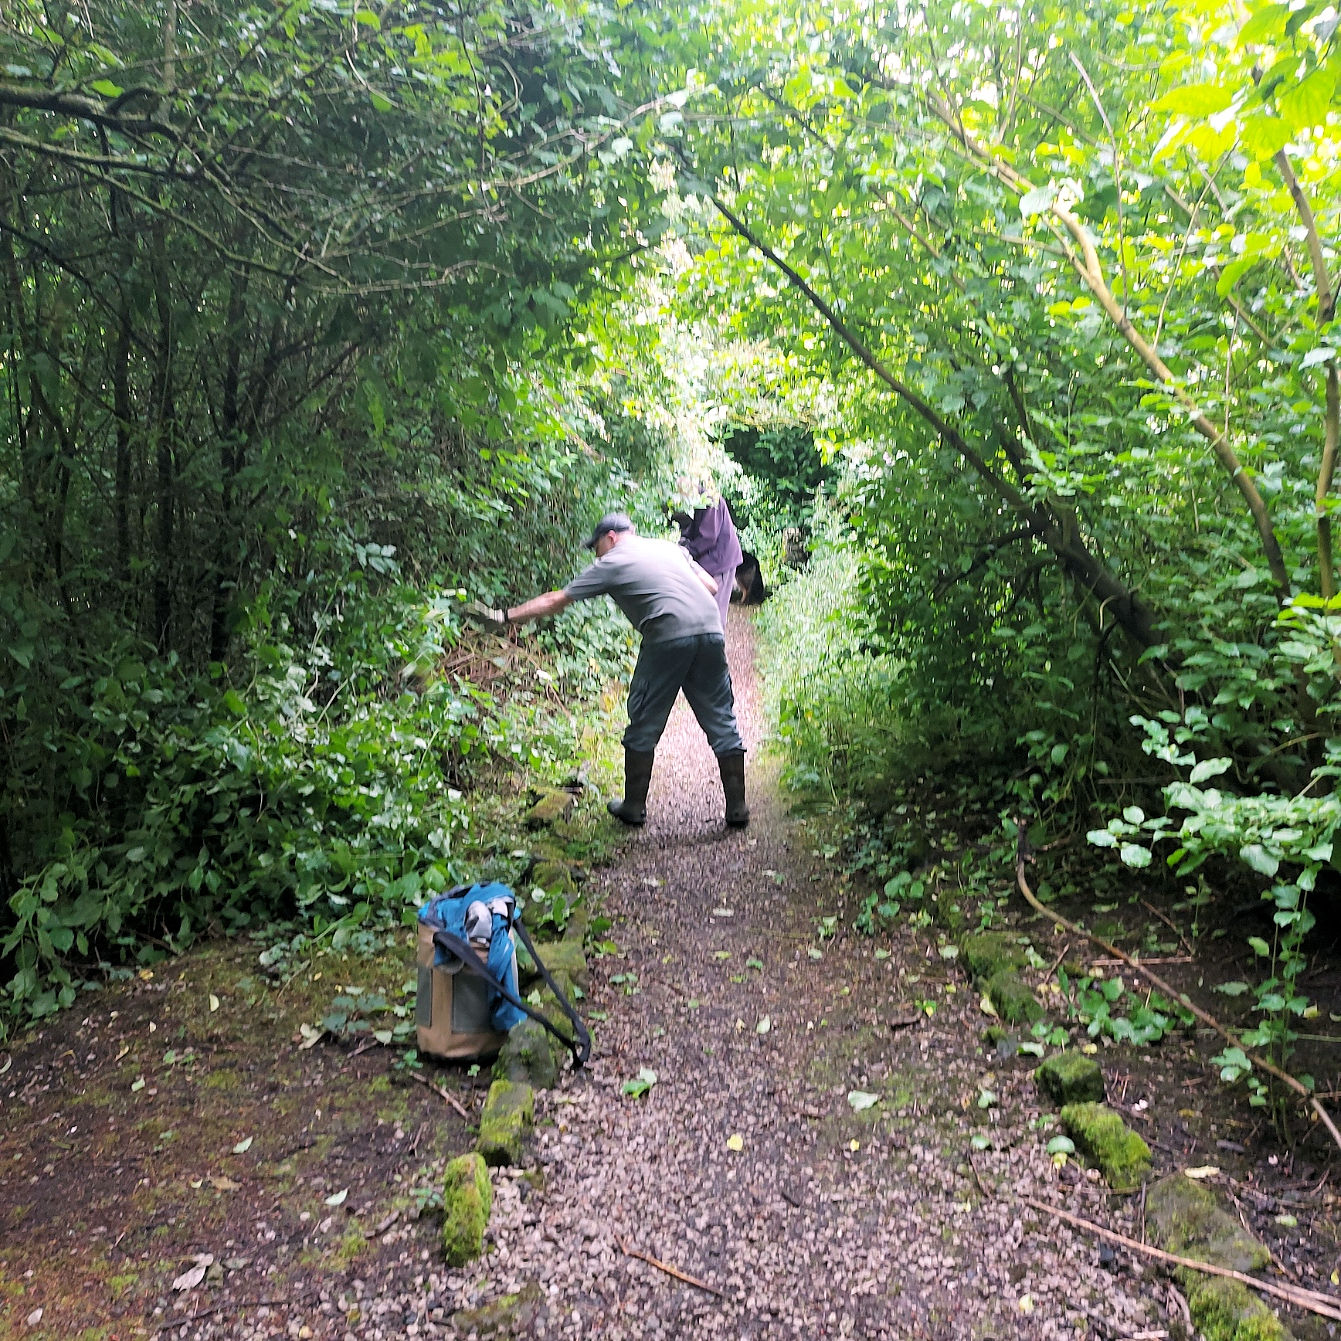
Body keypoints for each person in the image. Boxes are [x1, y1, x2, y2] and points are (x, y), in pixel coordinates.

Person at [465, 512, 748, 829]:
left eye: (596, 546)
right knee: (721, 718)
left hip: (668, 635)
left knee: (643, 720)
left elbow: (557, 599)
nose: (596, 554)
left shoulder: (613, 562)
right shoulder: (670, 549)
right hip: (711, 630)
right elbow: (710, 585)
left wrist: (504, 617)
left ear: (611, 537)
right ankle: (737, 808)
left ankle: (633, 807)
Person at [669, 482, 744, 633]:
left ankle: (716, 651)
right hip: (709, 560)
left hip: (721, 560)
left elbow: (708, 537)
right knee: (702, 608)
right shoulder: (695, 500)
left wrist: (685, 551)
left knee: (715, 612)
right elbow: (691, 527)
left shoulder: (710, 499)